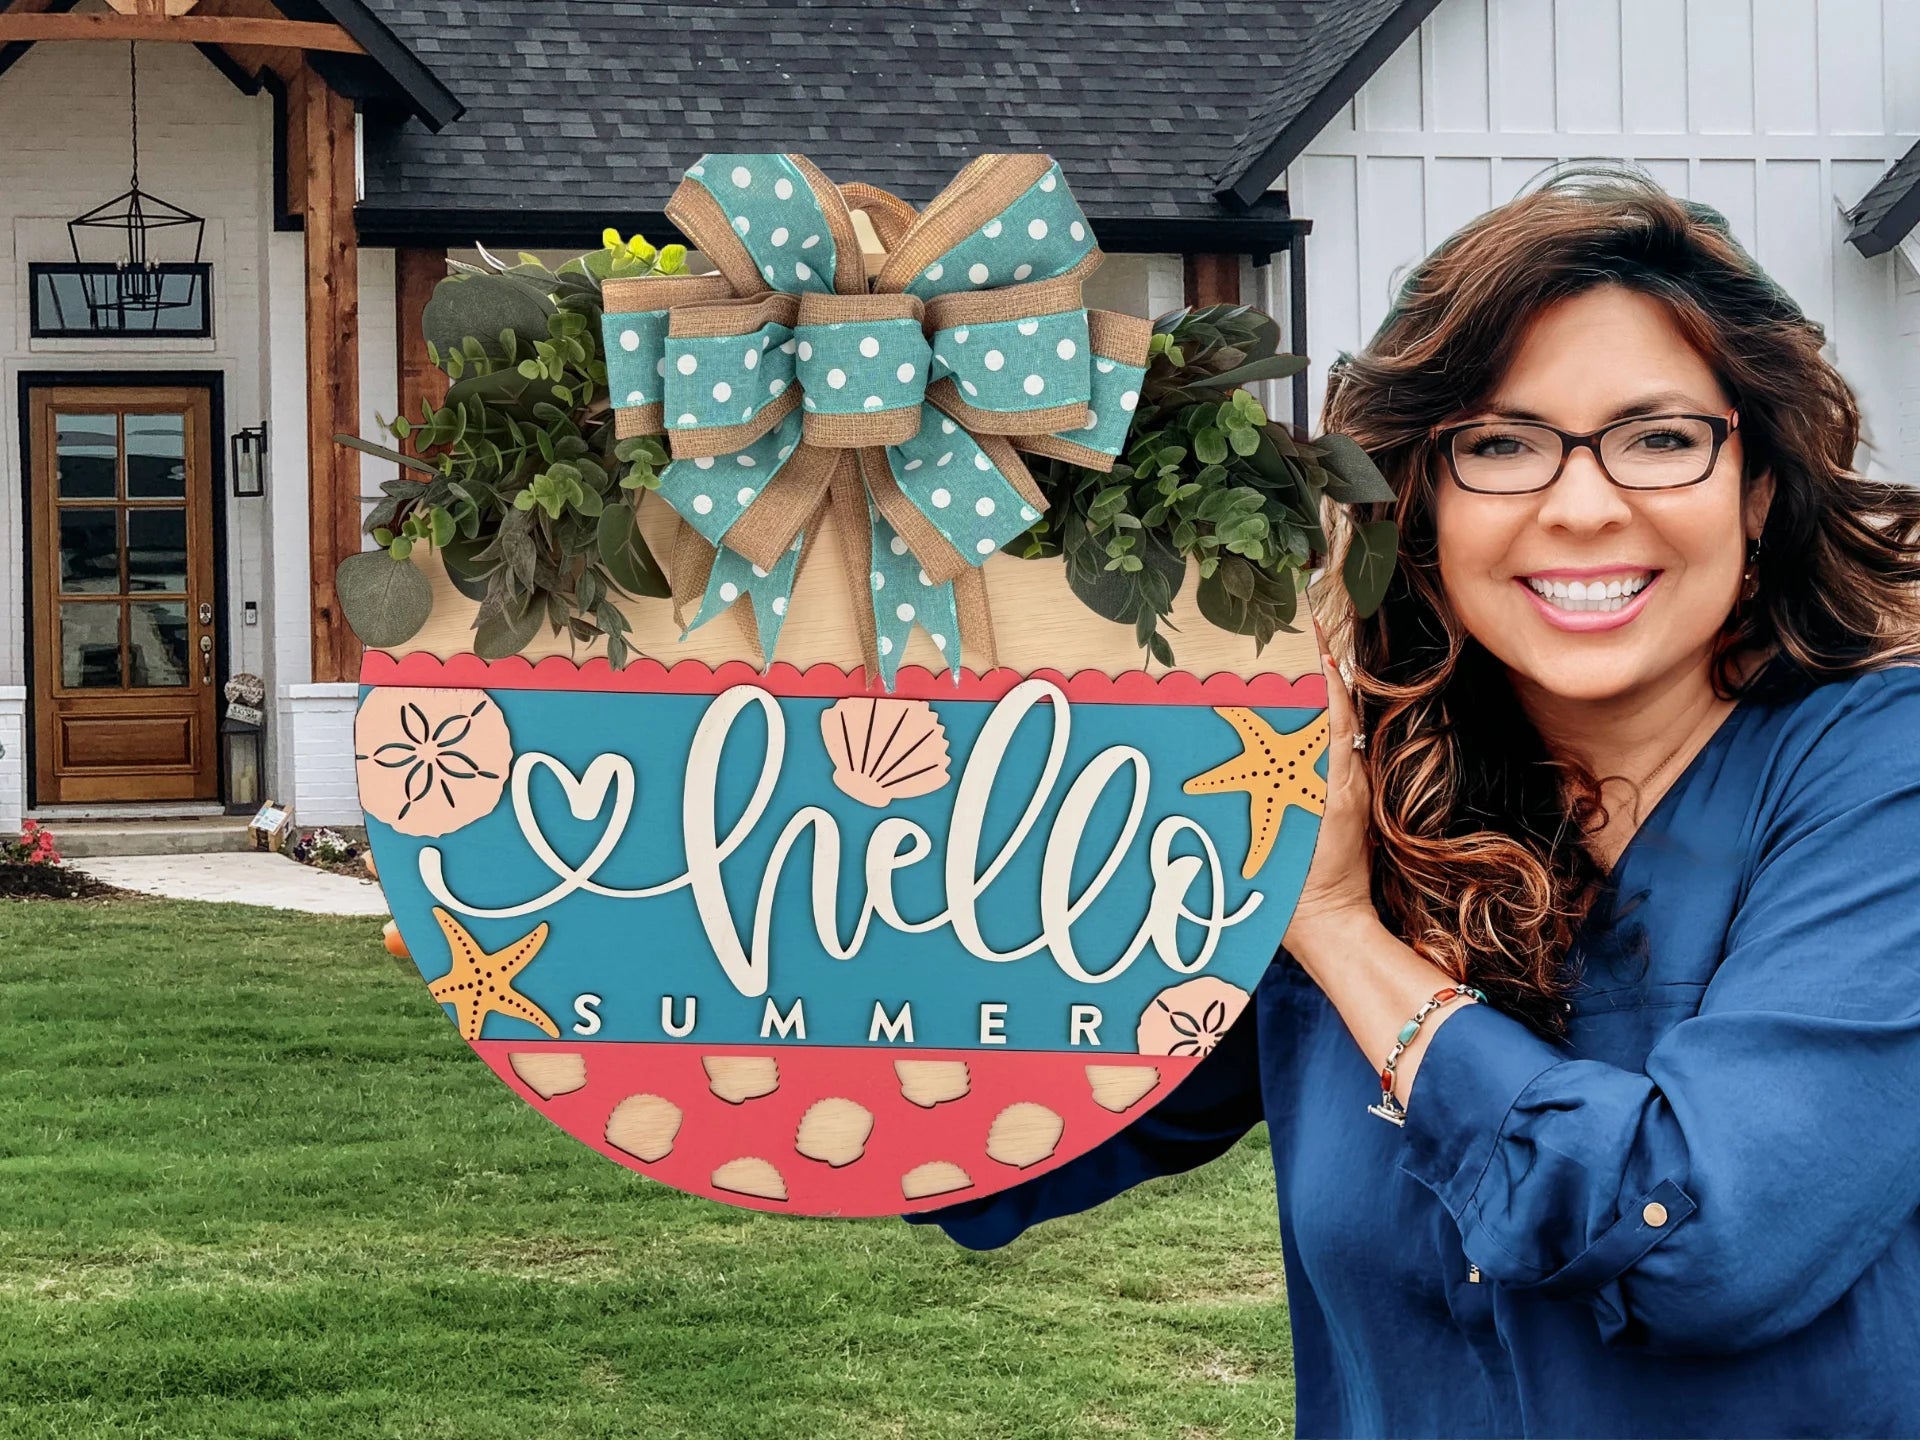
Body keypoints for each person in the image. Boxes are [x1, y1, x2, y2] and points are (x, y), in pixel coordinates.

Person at [907, 167, 1920, 1439]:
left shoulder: (1882, 778)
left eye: (1661, 439)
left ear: (1757, 487)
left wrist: (1340, 933)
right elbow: (996, 1139)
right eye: (1500, 444)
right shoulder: (1348, 790)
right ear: (1420, 504)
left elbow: (1707, 1240)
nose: (1584, 506)